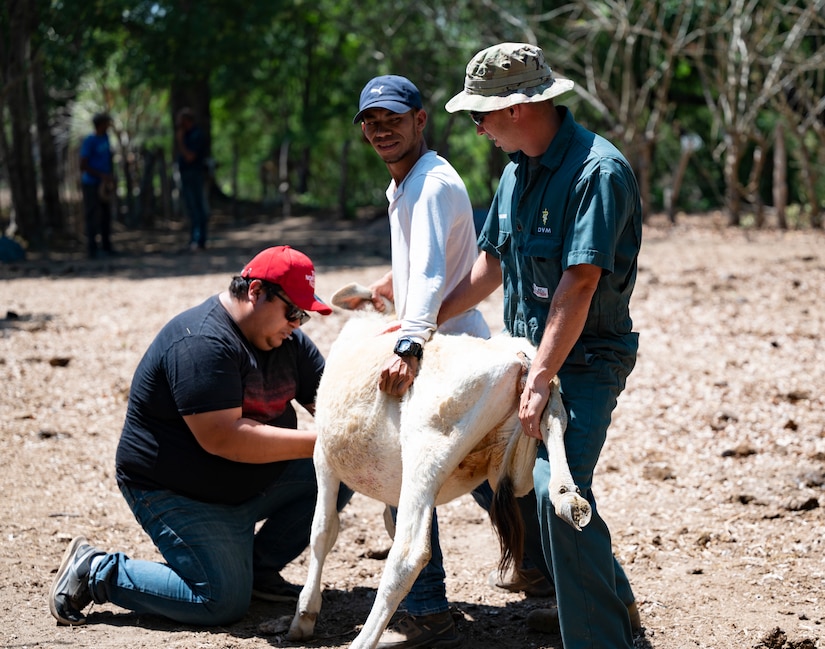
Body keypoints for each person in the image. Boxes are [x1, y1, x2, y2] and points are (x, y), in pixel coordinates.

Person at [440, 43, 643, 648]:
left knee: (561, 492)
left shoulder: (597, 173)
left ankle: (599, 639)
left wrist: (539, 381)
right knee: (496, 473)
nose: (477, 128)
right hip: (529, 356)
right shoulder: (514, 170)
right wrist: (420, 323)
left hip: (582, 360)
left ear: (521, 107)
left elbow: (578, 287)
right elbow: (489, 265)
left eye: (482, 116)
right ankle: (614, 605)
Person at [49, 245, 352, 627]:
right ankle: (97, 571)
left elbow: (335, 409)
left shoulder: (289, 344)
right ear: (256, 291)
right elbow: (224, 439)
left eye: (304, 316)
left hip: (248, 482)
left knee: (343, 469)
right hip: (179, 492)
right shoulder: (202, 341)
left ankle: (257, 570)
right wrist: (326, 443)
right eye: (293, 311)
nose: (297, 323)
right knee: (219, 602)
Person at [353, 74, 494, 649]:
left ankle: (430, 609)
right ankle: (546, 571)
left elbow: (436, 274)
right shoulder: (407, 183)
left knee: (409, 480)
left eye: (393, 118)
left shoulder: (430, 184)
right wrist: (391, 283)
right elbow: (429, 260)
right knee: (487, 474)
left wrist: (409, 345)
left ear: (421, 119)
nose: (382, 128)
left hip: (445, 355)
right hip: (452, 346)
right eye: (371, 120)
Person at [79, 112, 116, 259]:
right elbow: (82, 165)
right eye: (107, 123)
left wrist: (110, 177)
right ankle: (92, 249)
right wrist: (101, 175)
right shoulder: (90, 141)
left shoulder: (106, 138)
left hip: (105, 184)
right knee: (92, 215)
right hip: (91, 183)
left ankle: (107, 246)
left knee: (106, 215)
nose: (109, 126)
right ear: (100, 124)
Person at [175, 107, 210, 251]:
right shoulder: (188, 134)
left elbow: (190, 157)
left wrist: (180, 142)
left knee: (198, 207)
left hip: (195, 175)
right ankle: (194, 239)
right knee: (191, 208)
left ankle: (199, 239)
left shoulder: (196, 135)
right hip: (186, 175)